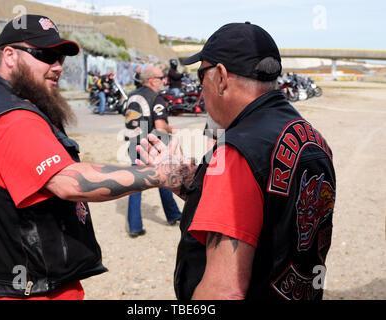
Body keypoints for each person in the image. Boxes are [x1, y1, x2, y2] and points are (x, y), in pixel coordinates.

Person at [0, 14, 195, 300]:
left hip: (6, 279)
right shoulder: (11, 116)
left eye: (61, 57)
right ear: (9, 55)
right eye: (46, 55)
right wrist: (159, 175)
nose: (57, 66)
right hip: (28, 290)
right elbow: (70, 182)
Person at [140, 22, 336, 300]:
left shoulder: (237, 151)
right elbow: (273, 216)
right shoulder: (313, 138)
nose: (200, 90)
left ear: (220, 76)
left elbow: (224, 290)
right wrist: (190, 187)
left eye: (201, 76)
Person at [124, 65, 182, 237]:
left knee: (138, 185)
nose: (165, 80)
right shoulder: (156, 98)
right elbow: (160, 127)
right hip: (151, 147)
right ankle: (170, 216)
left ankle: (139, 225)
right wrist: (172, 129)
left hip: (133, 144)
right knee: (162, 179)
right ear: (152, 80)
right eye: (161, 77)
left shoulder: (132, 95)